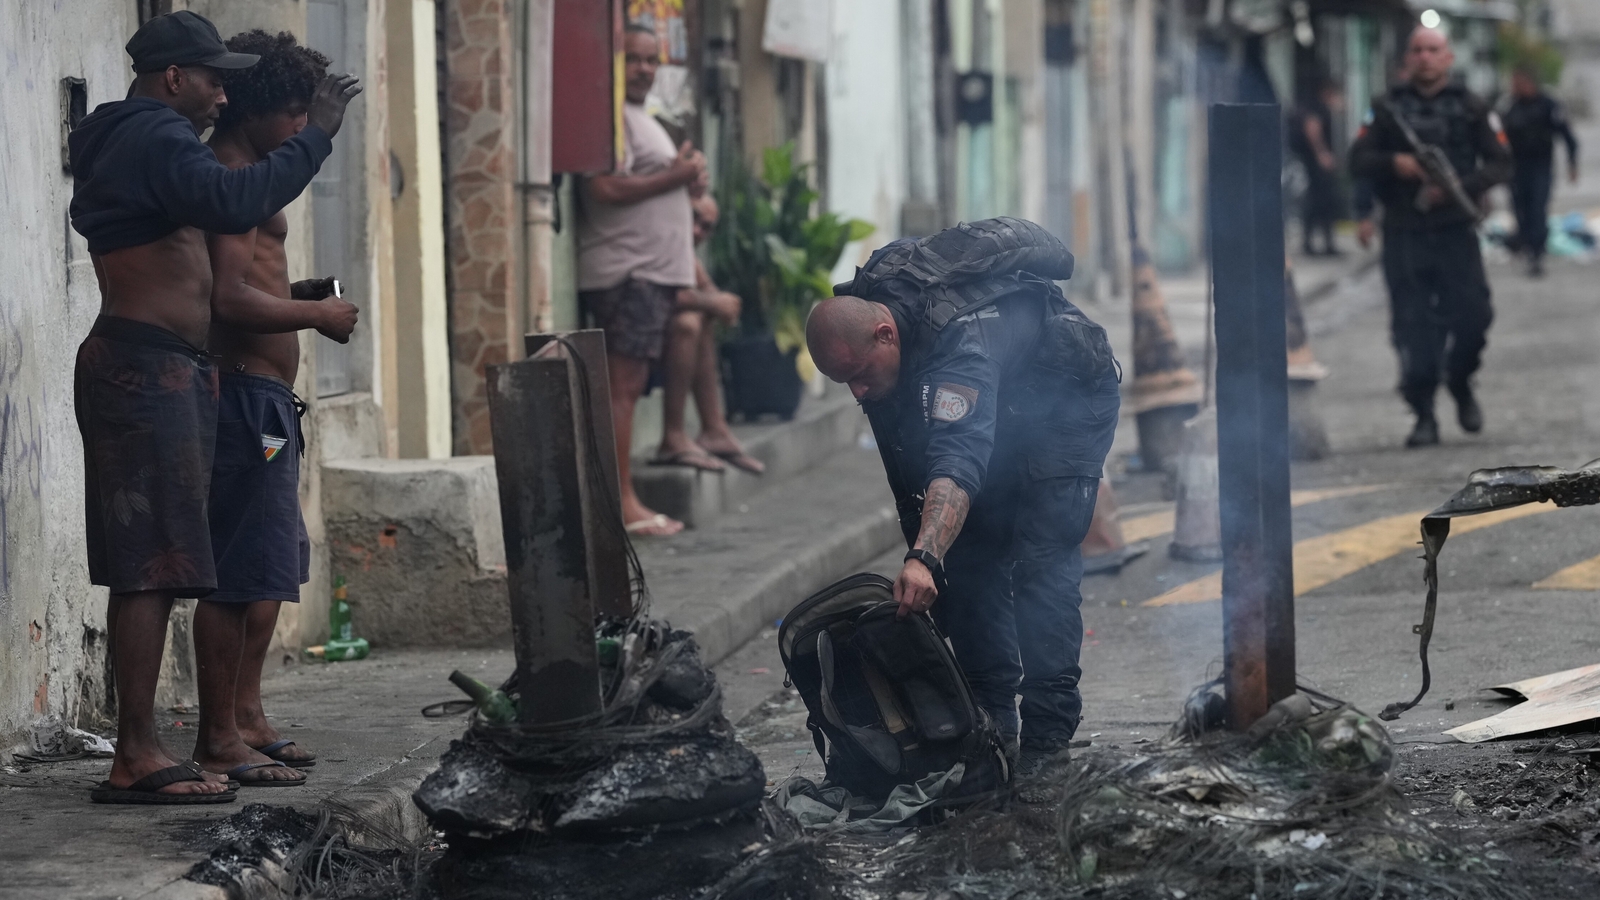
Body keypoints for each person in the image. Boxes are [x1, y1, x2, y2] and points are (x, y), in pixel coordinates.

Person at [69, 9, 359, 803]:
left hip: (158, 368)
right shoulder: (154, 134)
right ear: (174, 78)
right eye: (211, 82)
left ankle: (150, 747)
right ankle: (136, 754)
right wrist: (318, 135)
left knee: (160, 565)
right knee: (150, 568)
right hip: (145, 367)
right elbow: (235, 202)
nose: (221, 98)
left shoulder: (138, 139)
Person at [806, 218, 1120, 776]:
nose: (857, 390)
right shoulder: (880, 317)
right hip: (1004, 403)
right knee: (973, 559)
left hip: (1066, 402)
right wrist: (933, 554)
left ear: (885, 335)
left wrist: (924, 557)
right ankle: (991, 729)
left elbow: (957, 458)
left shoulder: (961, 344)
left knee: (1041, 565)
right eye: (843, 382)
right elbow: (909, 466)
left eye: (859, 374)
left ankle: (1047, 743)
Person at [190, 29, 361, 787]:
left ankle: (248, 716)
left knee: (270, 568)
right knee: (240, 573)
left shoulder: (250, 175)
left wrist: (296, 296)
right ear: (255, 107)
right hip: (244, 400)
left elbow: (245, 285)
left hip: (266, 401)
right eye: (294, 112)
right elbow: (226, 300)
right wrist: (316, 317)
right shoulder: (232, 176)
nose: (301, 128)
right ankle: (220, 734)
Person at [576, 23, 707, 536]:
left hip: (648, 275)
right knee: (623, 389)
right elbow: (603, 188)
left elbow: (651, 182)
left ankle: (626, 499)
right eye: (633, 58)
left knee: (628, 387)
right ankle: (623, 505)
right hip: (628, 272)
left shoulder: (640, 117)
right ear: (612, 62)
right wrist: (676, 175)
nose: (644, 69)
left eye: (652, 60)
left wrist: (688, 179)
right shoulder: (608, 116)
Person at [1350, 27, 1510, 448]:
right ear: (1408, 58)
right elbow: (1358, 161)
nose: (1425, 57)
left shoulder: (1472, 106)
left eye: (1433, 50)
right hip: (1405, 232)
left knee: (1474, 318)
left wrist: (1460, 186)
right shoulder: (1386, 107)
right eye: (1418, 50)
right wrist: (1395, 164)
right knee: (1412, 326)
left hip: (1456, 229)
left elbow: (1501, 162)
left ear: (1448, 58)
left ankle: (1459, 379)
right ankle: (1423, 413)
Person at [654, 195, 765, 475]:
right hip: (634, 334)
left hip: (661, 337)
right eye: (693, 219)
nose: (697, 231)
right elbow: (659, 295)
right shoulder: (658, 237)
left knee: (700, 316)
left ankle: (714, 428)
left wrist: (717, 302)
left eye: (706, 227)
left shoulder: (685, 252)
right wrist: (712, 302)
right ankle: (674, 435)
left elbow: (709, 292)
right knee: (689, 322)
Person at [1502, 66, 1580, 278]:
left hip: (1540, 166)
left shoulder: (1548, 105)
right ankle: (1526, 246)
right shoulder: (1510, 106)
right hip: (1516, 167)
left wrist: (1572, 163)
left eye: (1518, 83)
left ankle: (1536, 253)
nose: (1515, 87)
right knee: (1520, 210)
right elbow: (1499, 135)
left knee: (1537, 209)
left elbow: (1567, 135)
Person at [1292, 80, 1348, 256]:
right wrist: (1322, 154)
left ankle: (1316, 243)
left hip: (1313, 163)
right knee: (1322, 202)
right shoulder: (1317, 108)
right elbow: (1312, 128)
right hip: (1317, 164)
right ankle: (1322, 243)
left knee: (1318, 203)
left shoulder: (1311, 106)